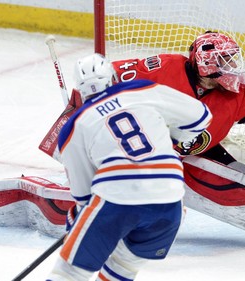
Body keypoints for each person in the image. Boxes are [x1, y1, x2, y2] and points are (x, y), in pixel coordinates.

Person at [40, 31, 245, 252]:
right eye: (224, 60)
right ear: (205, 64)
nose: (232, 65)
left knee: (239, 175)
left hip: (182, 148)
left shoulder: (232, 93)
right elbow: (103, 84)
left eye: (231, 58)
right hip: (142, 154)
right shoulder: (161, 69)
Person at [46, 53, 212, 280]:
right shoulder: (143, 89)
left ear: (81, 90)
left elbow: (84, 195)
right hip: (170, 199)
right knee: (123, 266)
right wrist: (169, 138)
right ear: (114, 77)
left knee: (71, 271)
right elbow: (201, 116)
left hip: (118, 198)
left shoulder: (75, 126)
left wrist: (77, 223)